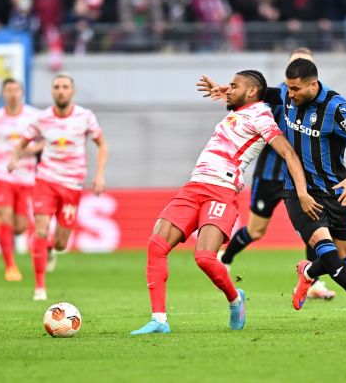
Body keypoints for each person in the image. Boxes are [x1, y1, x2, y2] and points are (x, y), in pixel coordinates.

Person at [204, 59, 346, 325]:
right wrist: (230, 90)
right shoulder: (287, 93)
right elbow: (265, 92)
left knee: (342, 257)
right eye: (288, 87)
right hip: (297, 191)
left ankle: (308, 272)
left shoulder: (335, 108)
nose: (290, 94)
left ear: (313, 85)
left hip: (335, 190)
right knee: (330, 255)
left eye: (295, 89)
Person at [131, 69, 321, 335]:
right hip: (194, 185)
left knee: (205, 258)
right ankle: (159, 320)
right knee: (156, 245)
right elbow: (240, 101)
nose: (228, 89)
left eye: (234, 86)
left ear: (252, 91)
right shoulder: (238, 111)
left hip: (222, 190)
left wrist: (302, 191)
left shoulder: (261, 116)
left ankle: (234, 300)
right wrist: (228, 92)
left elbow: (288, 153)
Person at [219, 48, 335, 300]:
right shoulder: (276, 96)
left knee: (313, 228)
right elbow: (246, 108)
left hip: (301, 176)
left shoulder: (321, 102)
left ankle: (313, 283)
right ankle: (224, 259)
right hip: (270, 175)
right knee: (256, 231)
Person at [8, 73, 108, 300]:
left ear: (72, 91)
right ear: (52, 92)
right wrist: (15, 158)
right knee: (41, 229)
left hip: (72, 184)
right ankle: (39, 288)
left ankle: (50, 248)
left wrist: (99, 175)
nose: (61, 91)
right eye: (57, 87)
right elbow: (22, 142)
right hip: (46, 180)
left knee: (62, 243)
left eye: (65, 87)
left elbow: (102, 145)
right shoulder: (42, 119)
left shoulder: (85, 117)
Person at [0, 78, 41, 281]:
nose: (12, 94)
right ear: (3, 93)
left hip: (26, 176)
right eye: (8, 90)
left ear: (22, 92)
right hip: (2, 174)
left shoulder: (34, 116)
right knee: (5, 216)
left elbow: (45, 141)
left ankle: (10, 231)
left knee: (20, 227)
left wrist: (32, 150)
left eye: (16, 90)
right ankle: (10, 266)